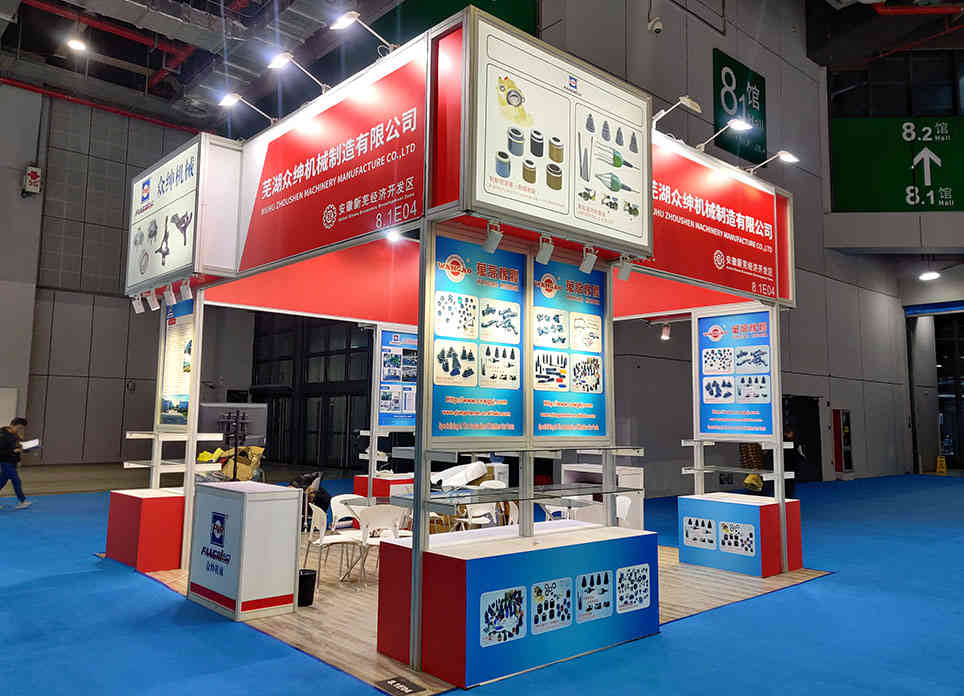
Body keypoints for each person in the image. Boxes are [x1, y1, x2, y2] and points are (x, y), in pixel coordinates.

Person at [0, 417, 32, 509]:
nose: (20, 430)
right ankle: (23, 501)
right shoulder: (2, 434)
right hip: (6, 462)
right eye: (20, 428)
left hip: (12, 462)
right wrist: (13, 451)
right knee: (16, 481)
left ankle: (23, 501)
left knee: (1, 482)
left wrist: (27, 447)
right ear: (14, 425)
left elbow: (20, 447)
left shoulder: (15, 435)